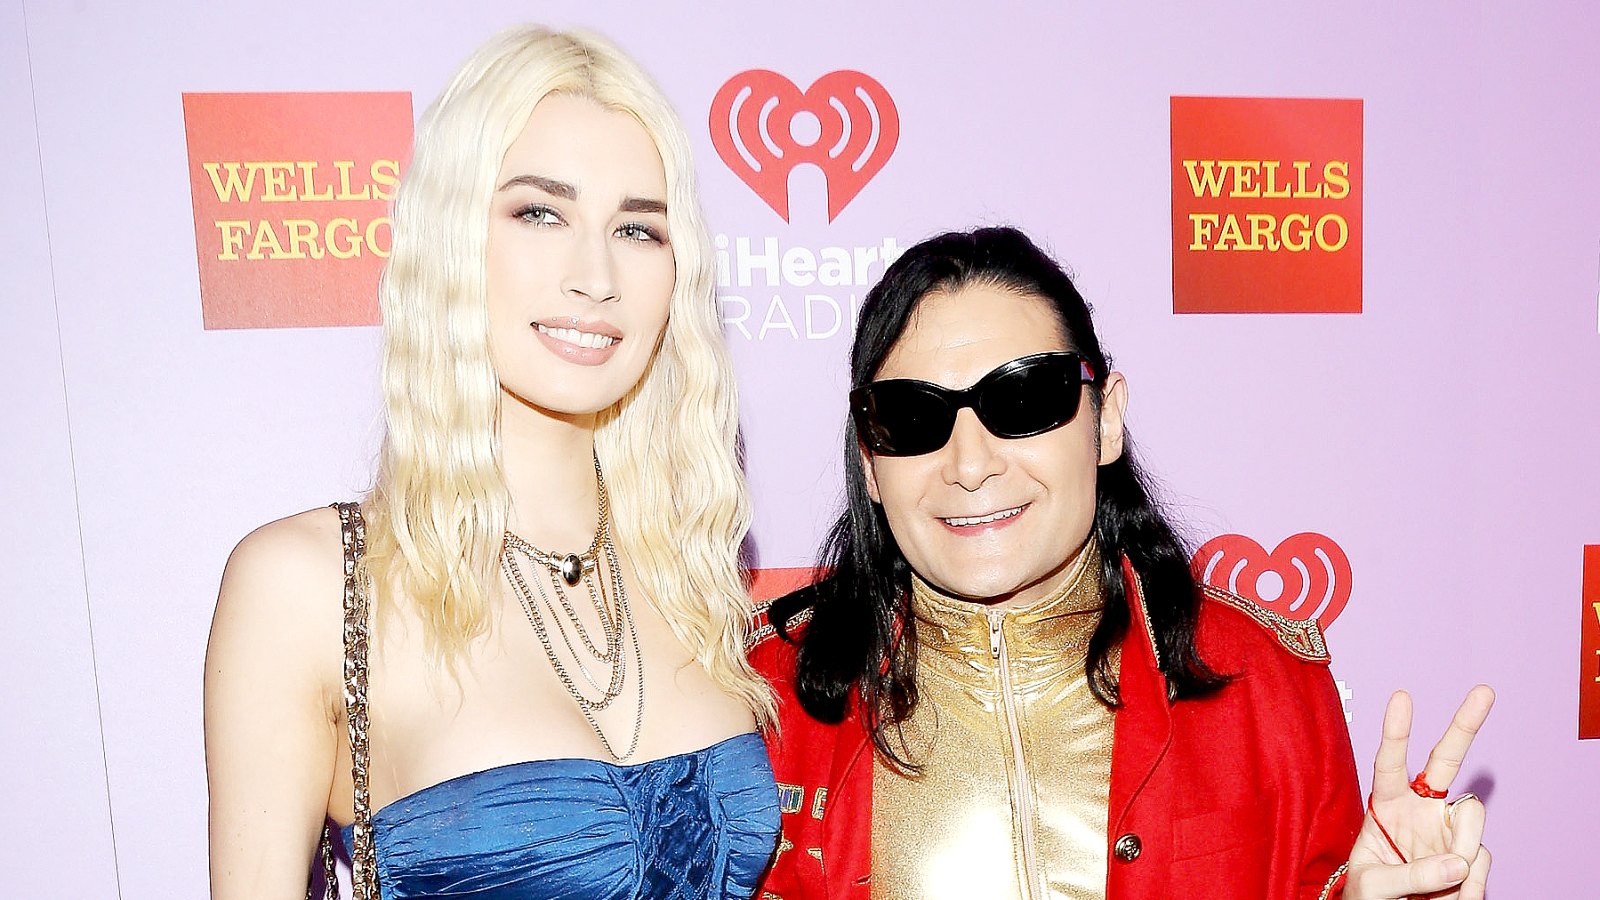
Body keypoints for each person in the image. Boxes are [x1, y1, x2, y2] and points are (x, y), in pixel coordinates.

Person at [204, 26, 778, 900]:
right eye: (539, 212)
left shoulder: (688, 570)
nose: (596, 274)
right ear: (452, 240)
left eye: (637, 227)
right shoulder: (308, 585)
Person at [750, 226, 1493, 900]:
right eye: (912, 417)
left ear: (1104, 420)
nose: (969, 465)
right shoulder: (756, 708)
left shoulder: (1264, 682)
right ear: (870, 462)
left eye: (1024, 399)